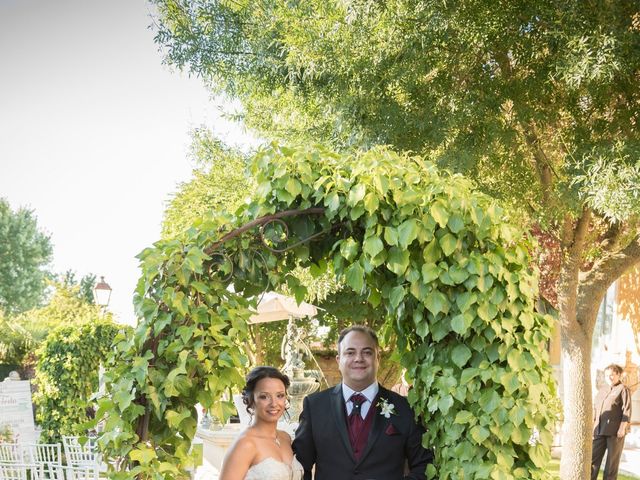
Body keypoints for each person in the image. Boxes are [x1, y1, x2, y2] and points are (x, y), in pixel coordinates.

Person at [293, 325, 434, 480]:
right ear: (339, 360)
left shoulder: (405, 408)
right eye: (350, 352)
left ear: (377, 358)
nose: (358, 358)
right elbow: (299, 467)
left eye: (367, 352)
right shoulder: (315, 407)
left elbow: (424, 466)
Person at [219, 366, 303, 480]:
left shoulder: (285, 438)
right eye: (264, 397)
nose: (274, 403)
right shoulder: (245, 444)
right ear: (251, 400)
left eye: (280, 395)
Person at [591, 363, 632, 480]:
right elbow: (596, 409)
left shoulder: (623, 389)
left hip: (615, 432)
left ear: (618, 375)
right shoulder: (602, 390)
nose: (609, 377)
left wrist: (622, 428)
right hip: (599, 430)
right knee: (593, 460)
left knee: (611, 464)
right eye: (607, 375)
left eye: (612, 375)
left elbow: (627, 410)